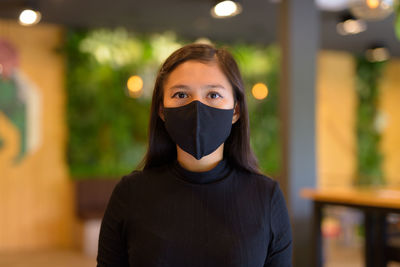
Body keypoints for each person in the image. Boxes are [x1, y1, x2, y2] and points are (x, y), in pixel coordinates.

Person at [97, 43, 292, 267]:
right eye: (181, 94)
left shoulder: (266, 198)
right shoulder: (130, 194)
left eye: (213, 94)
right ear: (162, 110)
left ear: (235, 111)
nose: (197, 107)